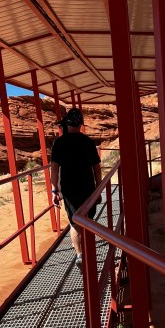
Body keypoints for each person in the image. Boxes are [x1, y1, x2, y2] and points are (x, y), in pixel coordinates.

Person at [50, 107, 101, 265]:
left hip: (69, 189)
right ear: (81, 124)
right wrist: (98, 189)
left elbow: (54, 168)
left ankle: (80, 255)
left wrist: (54, 190)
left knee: (75, 222)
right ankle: (89, 251)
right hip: (88, 187)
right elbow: (96, 168)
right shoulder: (88, 142)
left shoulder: (59, 143)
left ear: (67, 124)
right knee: (89, 220)